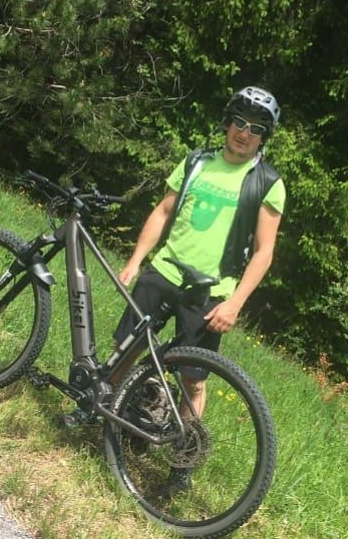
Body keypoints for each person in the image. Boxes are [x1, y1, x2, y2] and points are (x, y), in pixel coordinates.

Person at [65, 86, 286, 486]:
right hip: (164, 272)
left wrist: (235, 303)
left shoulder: (267, 183)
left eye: (255, 128)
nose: (244, 133)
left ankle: (181, 463)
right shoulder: (197, 162)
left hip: (211, 292)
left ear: (263, 137)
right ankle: (94, 411)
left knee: (193, 380)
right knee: (126, 350)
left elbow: (264, 252)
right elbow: (164, 210)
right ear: (227, 123)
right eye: (239, 122)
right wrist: (135, 260)